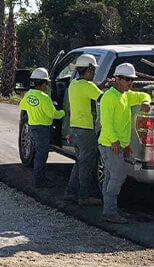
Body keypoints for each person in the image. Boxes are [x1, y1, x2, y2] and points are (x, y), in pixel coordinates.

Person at [97, 63, 151, 224]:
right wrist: (114, 141)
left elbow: (142, 96)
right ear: (117, 79)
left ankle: (109, 210)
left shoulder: (126, 95)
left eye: (131, 80)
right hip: (110, 144)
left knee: (109, 176)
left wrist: (147, 101)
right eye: (127, 79)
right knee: (118, 176)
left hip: (116, 144)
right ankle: (110, 212)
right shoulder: (109, 97)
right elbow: (106, 123)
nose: (130, 83)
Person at [64, 54, 104, 205]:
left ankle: (70, 192)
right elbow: (102, 99)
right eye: (93, 70)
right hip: (86, 130)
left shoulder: (74, 84)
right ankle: (84, 196)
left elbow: (90, 92)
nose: (94, 73)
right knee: (87, 165)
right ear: (88, 69)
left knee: (80, 162)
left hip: (74, 129)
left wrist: (100, 86)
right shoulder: (88, 86)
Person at [20, 67, 66, 188]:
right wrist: (64, 113)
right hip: (42, 129)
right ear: (44, 83)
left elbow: (22, 105)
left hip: (32, 126)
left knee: (37, 154)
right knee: (42, 155)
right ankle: (39, 181)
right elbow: (53, 114)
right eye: (47, 83)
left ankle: (39, 178)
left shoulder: (29, 94)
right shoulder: (45, 98)